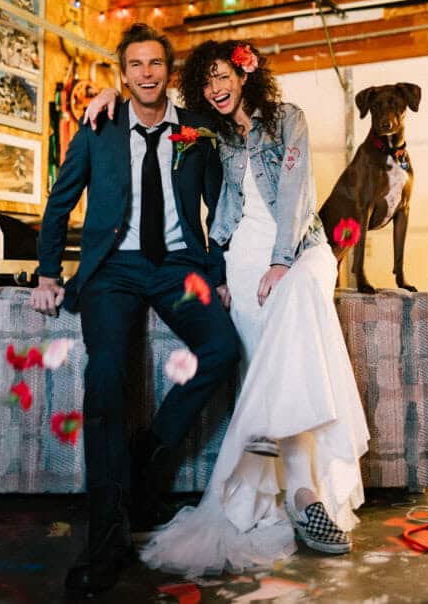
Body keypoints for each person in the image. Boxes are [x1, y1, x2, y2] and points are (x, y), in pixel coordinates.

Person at [85, 39, 369, 576]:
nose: (216, 89)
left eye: (224, 77)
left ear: (244, 74)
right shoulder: (207, 133)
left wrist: (284, 260)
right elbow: (153, 116)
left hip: (298, 247)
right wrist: (107, 94)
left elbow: (296, 193)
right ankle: (302, 494)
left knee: (301, 295)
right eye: (207, 81)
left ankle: (304, 489)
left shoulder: (288, 119)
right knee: (262, 354)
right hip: (240, 253)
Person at [30, 23, 241, 595]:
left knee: (223, 349)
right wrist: (49, 271)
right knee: (104, 375)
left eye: (155, 64)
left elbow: (221, 206)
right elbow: (61, 197)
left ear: (167, 72)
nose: (146, 73)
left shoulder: (197, 130)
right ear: (122, 74)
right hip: (113, 270)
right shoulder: (99, 126)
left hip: (177, 267)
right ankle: (106, 537)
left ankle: (150, 452)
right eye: (136, 65)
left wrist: (217, 275)